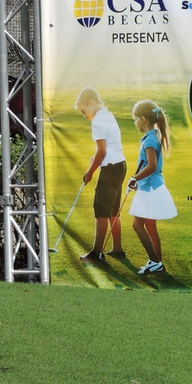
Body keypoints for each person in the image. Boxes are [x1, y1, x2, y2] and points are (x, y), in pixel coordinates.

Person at [75, 88, 126, 263]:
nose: (83, 115)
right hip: (120, 165)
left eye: (83, 110)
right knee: (113, 210)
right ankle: (117, 249)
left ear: (91, 103)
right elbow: (108, 147)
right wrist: (95, 159)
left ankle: (97, 253)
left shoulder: (97, 121)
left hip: (110, 168)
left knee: (101, 210)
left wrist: (90, 172)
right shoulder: (107, 114)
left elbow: (102, 151)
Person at [128, 100, 178, 275]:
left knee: (137, 225)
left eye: (135, 119)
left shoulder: (149, 140)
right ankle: (158, 263)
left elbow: (151, 166)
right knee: (150, 226)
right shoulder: (152, 137)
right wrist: (138, 180)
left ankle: (155, 262)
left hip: (149, 189)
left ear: (142, 119)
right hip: (151, 186)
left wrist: (134, 178)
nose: (135, 123)